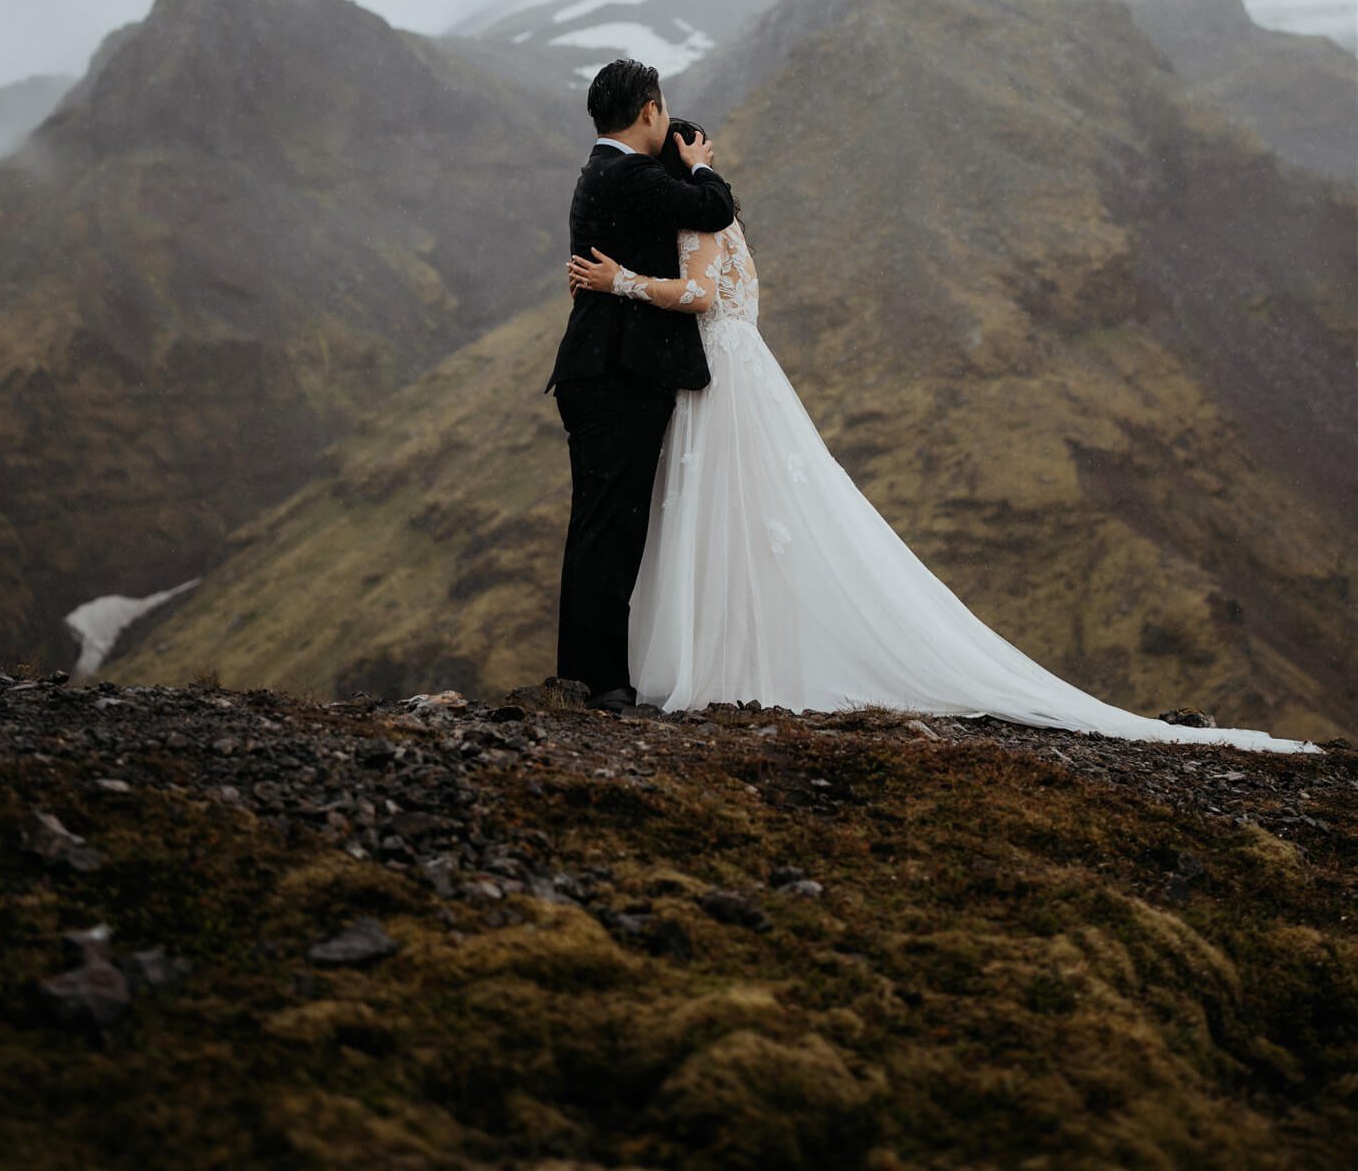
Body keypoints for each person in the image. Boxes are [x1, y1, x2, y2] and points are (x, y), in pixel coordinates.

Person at [566, 119, 1322, 755]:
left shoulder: (697, 217)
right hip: (741, 366)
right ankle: (739, 649)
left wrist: (619, 281)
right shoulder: (720, 211)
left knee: (720, 512)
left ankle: (723, 658)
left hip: (721, 374)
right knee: (754, 517)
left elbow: (698, 294)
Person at [546, 60, 737, 713]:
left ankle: (585, 674)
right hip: (619, 373)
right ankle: (601, 683)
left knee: (598, 527)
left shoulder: (596, 173)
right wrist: (701, 160)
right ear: (649, 111)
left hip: (595, 368)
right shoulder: (630, 176)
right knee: (612, 529)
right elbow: (713, 207)